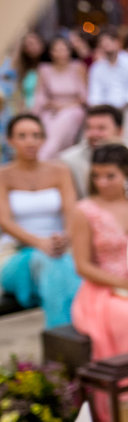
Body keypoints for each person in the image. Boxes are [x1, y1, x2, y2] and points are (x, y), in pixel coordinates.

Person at [69, 143, 128, 422]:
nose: (102, 182)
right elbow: (83, 266)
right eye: (96, 175)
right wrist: (124, 283)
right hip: (102, 291)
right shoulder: (85, 211)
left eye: (110, 175)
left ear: (126, 173)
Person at [0, 114, 80, 328]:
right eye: (22, 136)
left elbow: (72, 212)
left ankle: (65, 337)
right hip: (15, 253)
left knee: (64, 266)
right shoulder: (3, 175)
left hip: (59, 248)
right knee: (52, 263)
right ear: (10, 140)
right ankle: (65, 334)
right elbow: (4, 221)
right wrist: (40, 243)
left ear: (43, 139)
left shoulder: (60, 170)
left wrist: (65, 238)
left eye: (36, 135)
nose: (30, 141)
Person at [59, 106, 128, 198]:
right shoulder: (69, 159)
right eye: (89, 128)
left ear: (119, 131)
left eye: (101, 128)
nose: (93, 134)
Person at [87, 27, 128, 141]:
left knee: (125, 131)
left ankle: (123, 144)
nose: (106, 45)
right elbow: (94, 94)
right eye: (103, 43)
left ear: (118, 42)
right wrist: (104, 110)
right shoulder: (97, 68)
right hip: (104, 110)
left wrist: (119, 107)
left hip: (127, 109)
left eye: (109, 41)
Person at [34, 37, 88, 160]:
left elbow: (84, 97)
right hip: (51, 108)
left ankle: (45, 157)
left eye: (63, 49)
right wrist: (37, 113)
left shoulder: (78, 67)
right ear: (51, 52)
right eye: (56, 50)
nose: (60, 53)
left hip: (73, 108)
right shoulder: (44, 69)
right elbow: (40, 95)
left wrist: (64, 106)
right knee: (45, 124)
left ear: (69, 51)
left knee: (63, 122)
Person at [14, 30, 45, 114]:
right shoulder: (25, 69)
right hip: (25, 109)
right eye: (26, 46)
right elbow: (21, 94)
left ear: (41, 44)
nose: (30, 47)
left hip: (43, 110)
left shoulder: (47, 67)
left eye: (33, 43)